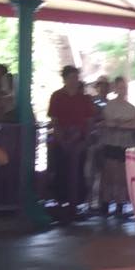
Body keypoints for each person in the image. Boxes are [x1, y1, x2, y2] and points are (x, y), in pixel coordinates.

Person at [47, 65, 98, 213]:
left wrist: (86, 139)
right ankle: (60, 202)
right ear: (64, 79)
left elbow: (90, 120)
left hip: (80, 139)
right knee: (60, 170)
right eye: (70, 77)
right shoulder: (57, 96)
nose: (74, 81)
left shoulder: (85, 98)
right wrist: (61, 139)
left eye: (76, 77)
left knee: (78, 171)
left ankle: (75, 203)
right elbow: (54, 120)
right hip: (61, 138)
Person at [99, 76, 135, 217]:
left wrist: (117, 123)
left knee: (122, 175)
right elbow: (109, 123)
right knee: (109, 174)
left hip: (125, 145)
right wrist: (125, 123)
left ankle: (119, 204)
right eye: (120, 87)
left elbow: (133, 125)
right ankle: (105, 203)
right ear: (115, 88)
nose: (123, 90)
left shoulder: (131, 108)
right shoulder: (110, 106)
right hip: (111, 143)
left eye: (125, 87)